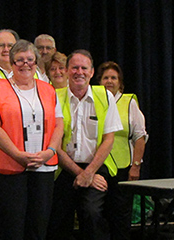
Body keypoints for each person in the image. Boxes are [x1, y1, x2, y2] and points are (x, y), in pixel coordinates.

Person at [0, 39, 64, 239]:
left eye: (30, 59)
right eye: (19, 60)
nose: (25, 64)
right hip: (10, 166)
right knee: (12, 226)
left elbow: (59, 125)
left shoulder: (48, 89)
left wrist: (50, 152)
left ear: (36, 63)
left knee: (38, 226)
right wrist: (17, 154)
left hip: (44, 166)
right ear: (11, 64)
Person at [47, 50, 123, 240]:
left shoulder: (105, 97)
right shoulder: (53, 97)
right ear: (66, 71)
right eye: (74, 67)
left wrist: (89, 173)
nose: (79, 72)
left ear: (91, 72)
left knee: (91, 213)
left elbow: (109, 139)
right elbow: (54, 143)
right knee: (56, 218)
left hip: (96, 167)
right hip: (64, 167)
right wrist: (80, 174)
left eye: (84, 68)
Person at [97, 61, 148, 240]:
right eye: (105, 78)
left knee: (120, 216)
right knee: (97, 215)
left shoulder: (129, 101)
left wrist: (136, 166)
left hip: (123, 168)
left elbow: (140, 137)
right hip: (98, 169)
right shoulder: (94, 100)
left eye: (113, 77)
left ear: (120, 82)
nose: (109, 81)